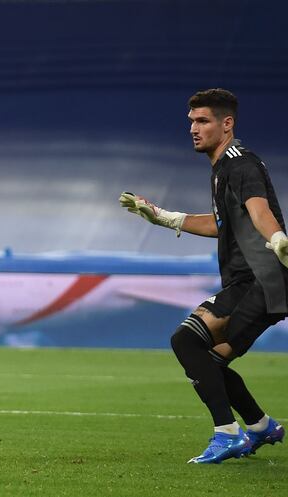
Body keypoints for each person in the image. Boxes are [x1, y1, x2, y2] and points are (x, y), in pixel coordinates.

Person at [120, 88, 286, 464]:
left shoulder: (240, 163)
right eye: (192, 121)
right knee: (207, 359)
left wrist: (277, 238)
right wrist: (164, 217)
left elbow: (259, 211)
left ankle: (227, 433)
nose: (194, 128)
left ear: (226, 124)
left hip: (261, 282)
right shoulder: (222, 167)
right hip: (254, 282)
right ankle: (261, 427)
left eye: (203, 121)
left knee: (186, 342)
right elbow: (222, 224)